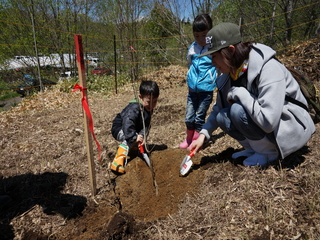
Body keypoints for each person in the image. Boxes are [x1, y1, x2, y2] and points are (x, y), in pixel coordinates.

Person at [189, 22, 315, 166]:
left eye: (215, 56)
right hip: (269, 125)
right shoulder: (231, 73)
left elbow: (269, 121)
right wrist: (203, 135)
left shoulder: (268, 68)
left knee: (237, 110)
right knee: (222, 116)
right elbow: (218, 108)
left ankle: (269, 153)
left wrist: (242, 94)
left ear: (230, 51)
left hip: (290, 125)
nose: (212, 62)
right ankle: (254, 149)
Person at [179, 14, 219, 149]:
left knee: (199, 117)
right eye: (197, 36)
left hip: (206, 89)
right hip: (192, 90)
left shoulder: (213, 48)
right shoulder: (192, 48)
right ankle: (189, 138)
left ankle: (198, 140)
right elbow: (190, 63)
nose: (200, 39)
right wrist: (190, 77)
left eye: (204, 35)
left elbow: (218, 66)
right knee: (188, 117)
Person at [110, 80, 159, 174]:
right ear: (140, 97)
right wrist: (133, 137)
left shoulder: (148, 108)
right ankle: (117, 161)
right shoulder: (134, 108)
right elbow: (127, 123)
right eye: (149, 102)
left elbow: (146, 125)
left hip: (132, 129)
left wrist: (142, 136)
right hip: (120, 128)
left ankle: (132, 150)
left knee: (137, 138)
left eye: (155, 102)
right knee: (129, 138)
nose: (152, 105)